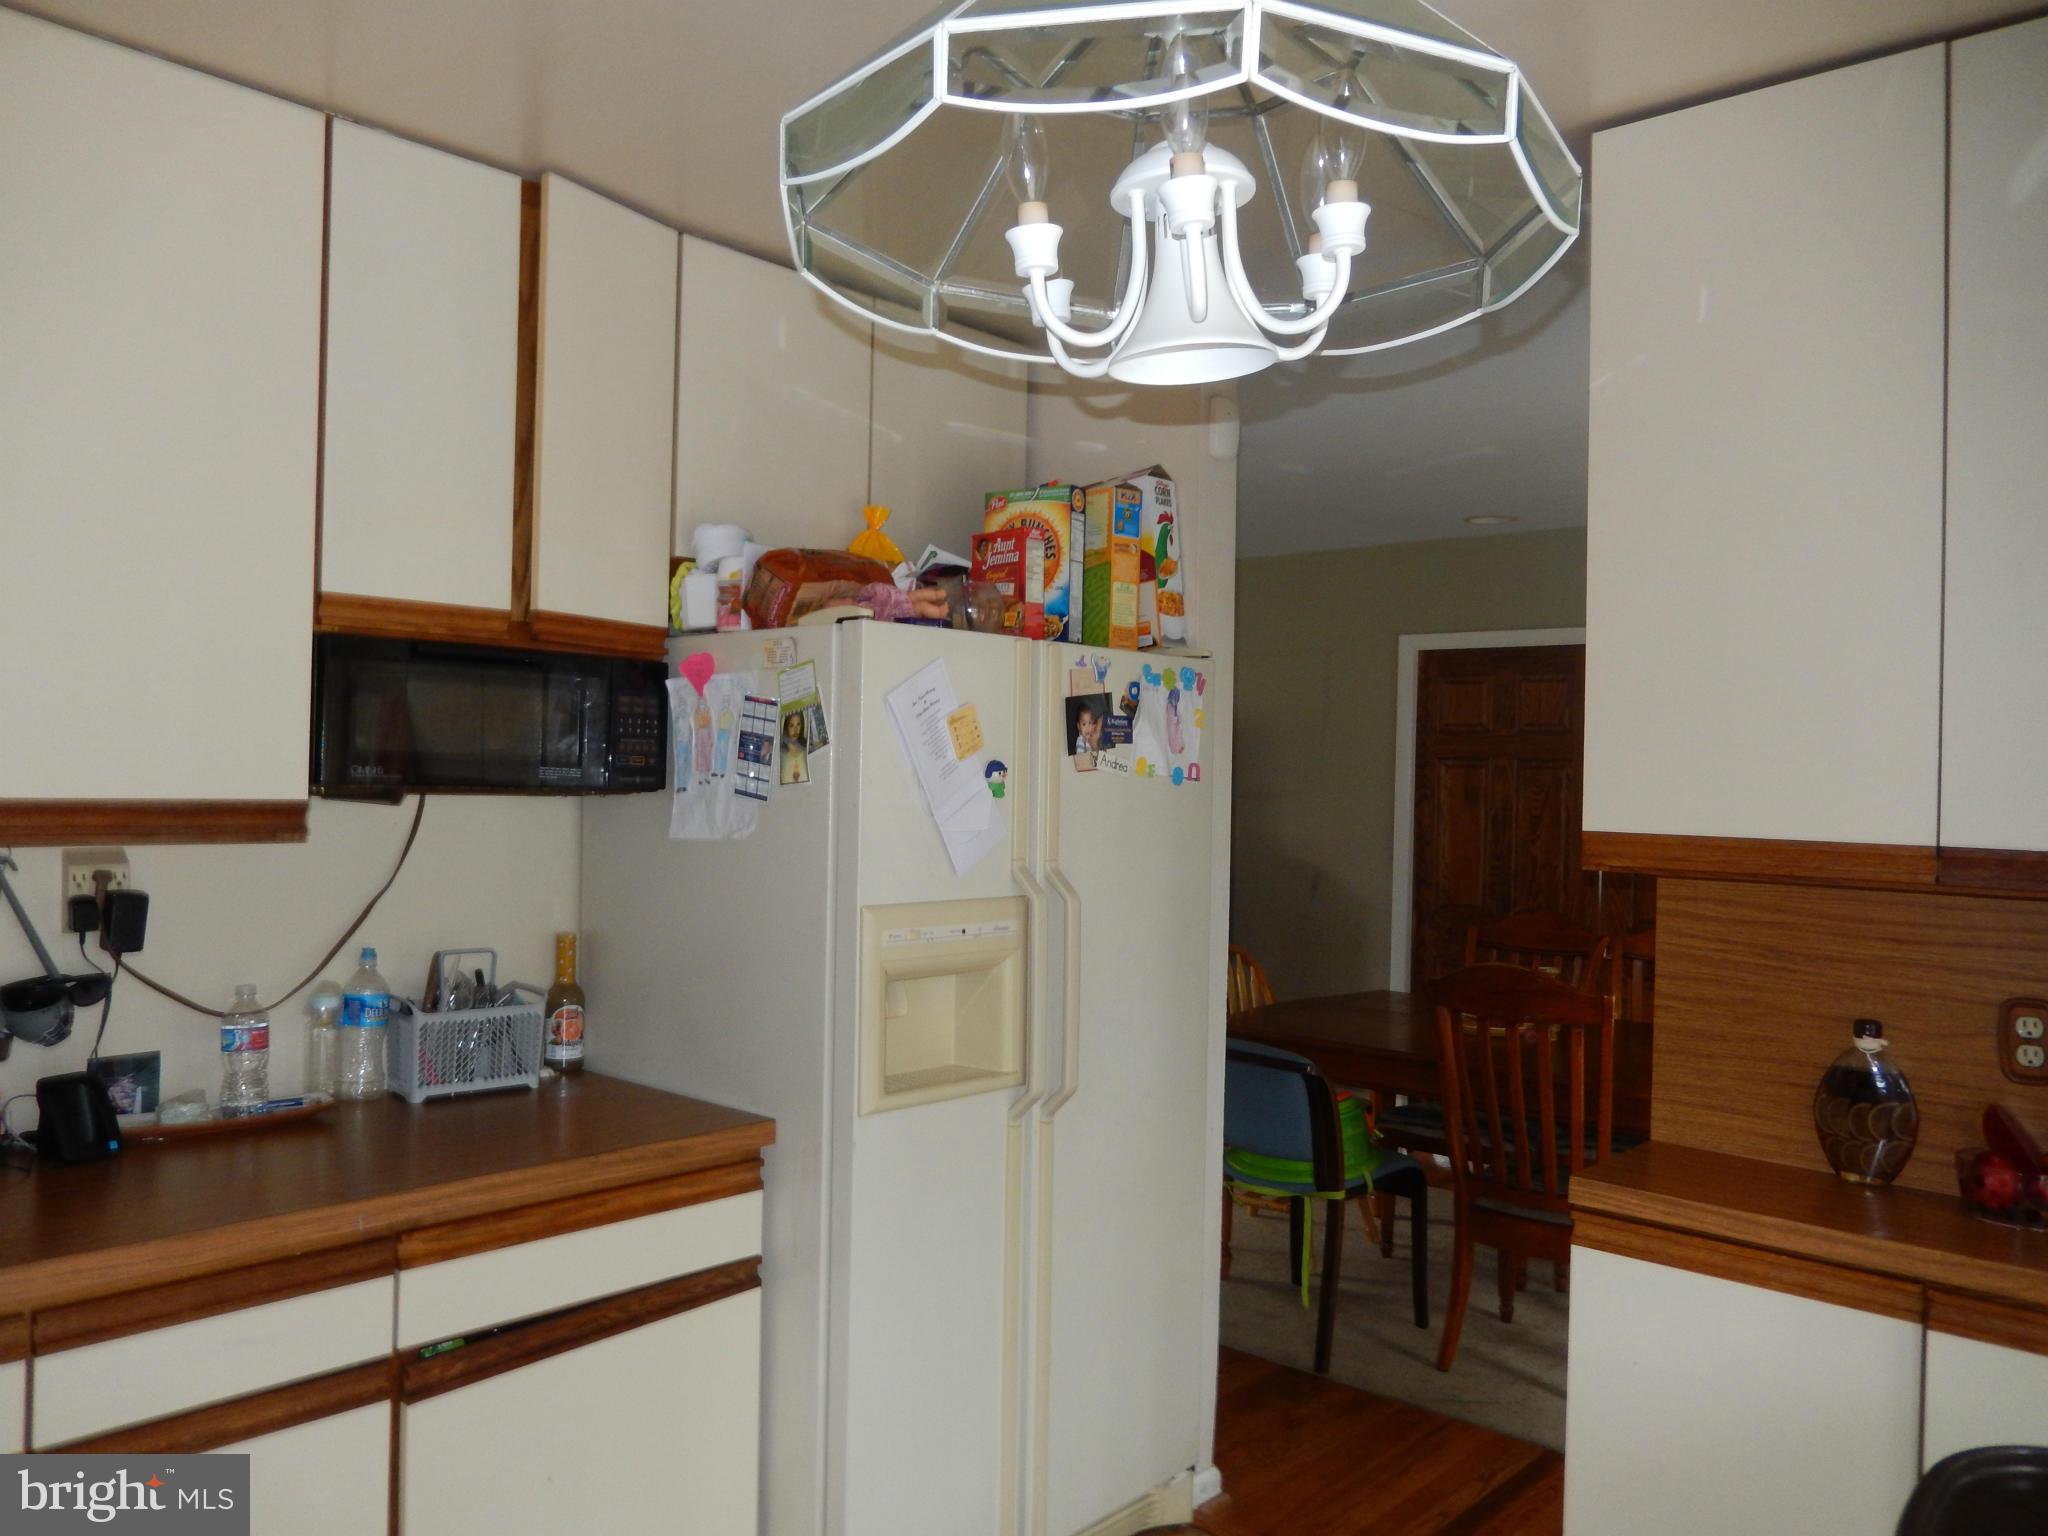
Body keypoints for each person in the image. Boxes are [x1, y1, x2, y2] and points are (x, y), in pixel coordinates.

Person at [781, 709, 810, 785]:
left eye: (798, 724)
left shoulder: (807, 750)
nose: (795, 730)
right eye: (791, 725)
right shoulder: (781, 754)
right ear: (786, 727)